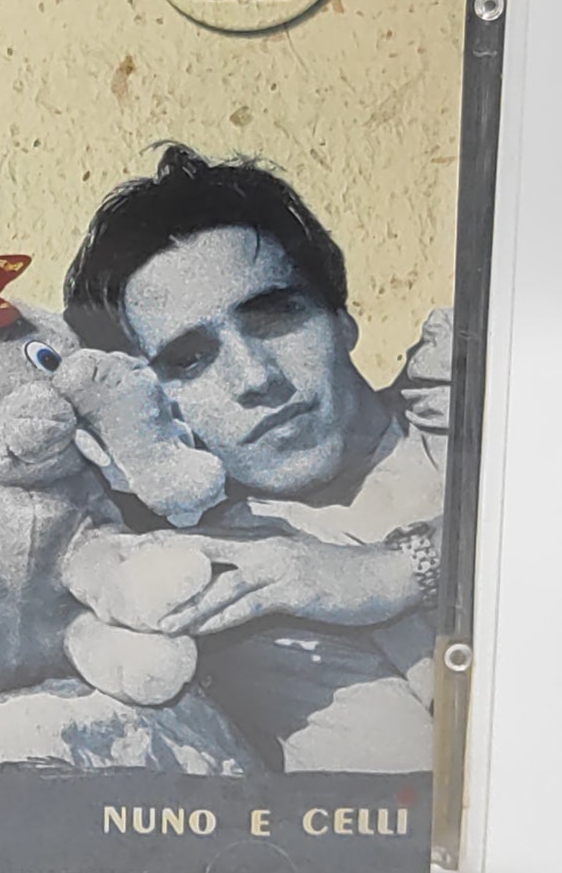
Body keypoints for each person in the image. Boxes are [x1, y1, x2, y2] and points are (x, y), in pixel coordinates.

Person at [63, 144, 449, 772]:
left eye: (274, 316)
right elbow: (424, 801)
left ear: (342, 317)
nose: (254, 377)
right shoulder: (243, 587)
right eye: (189, 359)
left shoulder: (470, 395)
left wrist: (401, 572)